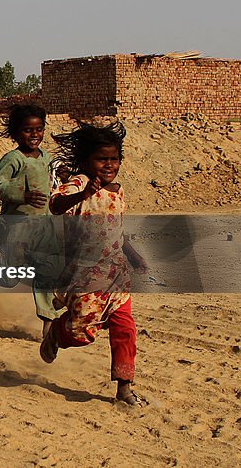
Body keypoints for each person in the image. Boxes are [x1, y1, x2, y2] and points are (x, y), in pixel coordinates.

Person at [40, 121, 149, 406]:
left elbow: (116, 230)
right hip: (85, 275)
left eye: (114, 158)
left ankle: (124, 389)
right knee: (80, 334)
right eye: (102, 158)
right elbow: (56, 206)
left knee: (125, 328)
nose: (109, 164)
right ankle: (57, 331)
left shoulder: (118, 190)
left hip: (116, 275)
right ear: (88, 160)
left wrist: (134, 255)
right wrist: (82, 194)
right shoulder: (80, 182)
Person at [0, 105, 65, 330]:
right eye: (28, 130)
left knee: (48, 270)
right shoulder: (13, 159)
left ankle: (48, 322)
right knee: (11, 277)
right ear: (16, 133)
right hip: (15, 227)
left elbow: (56, 176)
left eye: (39, 130)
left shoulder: (47, 158)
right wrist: (22, 195)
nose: (34, 135)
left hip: (44, 227)